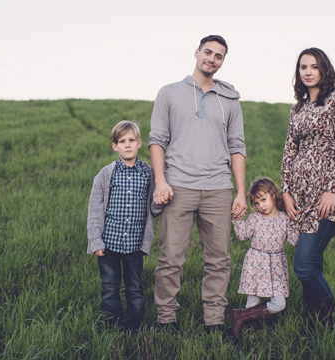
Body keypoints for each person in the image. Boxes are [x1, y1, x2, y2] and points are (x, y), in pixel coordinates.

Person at [148, 35, 247, 333]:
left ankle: (214, 319)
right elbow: (157, 140)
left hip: (218, 188)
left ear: (222, 62)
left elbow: (237, 146)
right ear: (196, 53)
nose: (212, 59)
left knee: (218, 259)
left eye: (219, 56)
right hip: (178, 187)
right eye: (208, 52)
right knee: (170, 258)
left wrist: (241, 192)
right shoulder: (169, 93)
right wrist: (160, 180)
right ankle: (166, 317)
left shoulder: (229, 99)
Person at [281, 48, 335, 325]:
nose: (308, 71)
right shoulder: (298, 108)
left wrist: (332, 190)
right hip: (299, 194)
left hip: (326, 192)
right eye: (303, 67)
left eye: (314, 66)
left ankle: (332, 317)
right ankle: (314, 321)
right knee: (312, 262)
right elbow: (289, 151)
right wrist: (285, 191)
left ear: (323, 69)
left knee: (303, 265)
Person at [87, 120, 162, 334]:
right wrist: (95, 241)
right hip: (108, 243)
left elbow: (154, 211)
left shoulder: (148, 173)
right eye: (122, 141)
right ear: (115, 146)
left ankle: (134, 327)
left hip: (134, 245)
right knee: (110, 287)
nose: (127, 145)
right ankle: (111, 324)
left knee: (135, 288)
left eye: (131, 140)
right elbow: (94, 210)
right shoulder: (105, 174)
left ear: (139, 143)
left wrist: (160, 199)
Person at [229, 177, 299, 337]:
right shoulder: (255, 218)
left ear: (273, 194)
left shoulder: (284, 219)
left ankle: (240, 316)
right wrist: (238, 218)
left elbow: (294, 241)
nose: (261, 206)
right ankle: (251, 331)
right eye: (257, 203)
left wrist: (299, 222)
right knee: (252, 301)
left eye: (263, 200)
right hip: (255, 263)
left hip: (276, 266)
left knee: (279, 303)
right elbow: (242, 235)